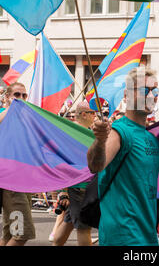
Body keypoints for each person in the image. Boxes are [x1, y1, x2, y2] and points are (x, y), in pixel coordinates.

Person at [87, 67, 159, 246]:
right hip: (122, 236)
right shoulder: (119, 132)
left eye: (154, 90)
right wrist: (100, 140)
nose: (151, 95)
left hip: (147, 234)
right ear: (126, 95)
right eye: (144, 90)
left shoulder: (150, 138)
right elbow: (95, 166)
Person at [0, 82, 36, 246]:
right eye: (17, 95)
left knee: (9, 232)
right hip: (10, 182)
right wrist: (10, 109)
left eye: (24, 95)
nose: (21, 98)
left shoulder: (26, 118)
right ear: (7, 97)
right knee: (22, 233)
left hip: (25, 181)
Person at [52, 101, 97, 246]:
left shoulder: (87, 133)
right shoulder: (72, 133)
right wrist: (63, 190)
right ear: (83, 114)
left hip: (80, 186)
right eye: (93, 113)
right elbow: (64, 161)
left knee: (68, 223)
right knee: (84, 229)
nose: (95, 116)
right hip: (80, 186)